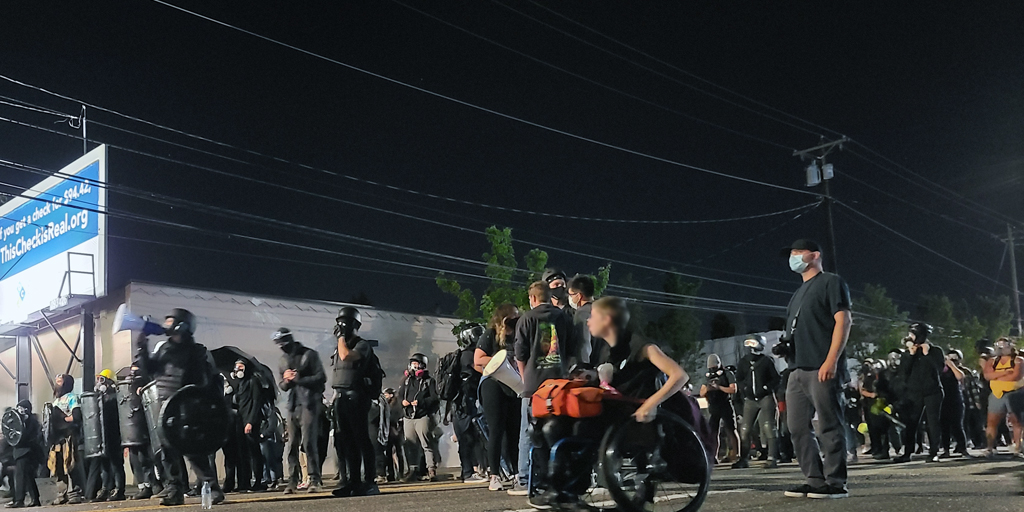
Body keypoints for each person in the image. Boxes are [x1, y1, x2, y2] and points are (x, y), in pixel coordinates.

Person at [779, 240, 852, 499]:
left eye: (798, 252)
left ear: (815, 255)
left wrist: (831, 360)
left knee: (829, 425)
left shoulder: (831, 282)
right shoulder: (797, 294)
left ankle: (835, 481)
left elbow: (843, 320)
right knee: (796, 427)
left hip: (822, 366)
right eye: (791, 253)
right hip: (797, 369)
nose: (793, 257)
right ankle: (814, 479)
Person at [135, 308, 225, 506]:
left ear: (183, 326)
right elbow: (149, 370)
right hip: (165, 405)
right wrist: (142, 346)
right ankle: (174, 489)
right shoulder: (164, 349)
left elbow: (204, 380)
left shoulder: (196, 351)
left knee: (192, 450)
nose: (166, 325)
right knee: (166, 450)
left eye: (171, 321)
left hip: (187, 406)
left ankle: (212, 487)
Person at [511, 282, 574, 496]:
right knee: (558, 431)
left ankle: (525, 478)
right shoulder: (564, 317)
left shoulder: (526, 319)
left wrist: (525, 376)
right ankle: (559, 477)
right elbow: (571, 349)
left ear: (533, 298)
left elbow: (519, 354)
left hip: (534, 385)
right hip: (559, 384)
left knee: (529, 432)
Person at [329, 307, 381, 496]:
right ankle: (353, 482)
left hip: (357, 396)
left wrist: (341, 338)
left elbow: (346, 357)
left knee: (361, 439)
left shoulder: (362, 345)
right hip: (341, 397)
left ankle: (370, 482)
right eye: (339, 322)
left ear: (355, 325)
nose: (341, 326)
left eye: (345, 322)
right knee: (346, 440)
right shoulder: (341, 345)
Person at [474, 304, 522, 491]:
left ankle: (517, 473)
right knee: (496, 430)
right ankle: (495, 475)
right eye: (513, 316)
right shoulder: (490, 334)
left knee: (514, 431)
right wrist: (501, 361)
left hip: (513, 385)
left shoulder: (519, 334)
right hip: (493, 384)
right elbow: (478, 360)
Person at [274, 327, 326, 495]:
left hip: (309, 404)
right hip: (293, 405)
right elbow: (282, 386)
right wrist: (286, 380)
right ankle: (292, 481)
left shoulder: (309, 354)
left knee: (309, 444)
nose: (281, 346)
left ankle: (315, 480)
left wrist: (299, 378)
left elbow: (321, 377)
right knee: (292, 445)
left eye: (283, 342)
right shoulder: (283, 360)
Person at [893, 323, 945, 463]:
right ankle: (907, 453)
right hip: (913, 393)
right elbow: (903, 374)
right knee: (911, 423)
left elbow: (939, 370)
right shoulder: (907, 353)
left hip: (933, 391)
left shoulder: (936, 351)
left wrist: (927, 354)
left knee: (932, 423)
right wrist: (910, 355)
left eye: (913, 334)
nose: (910, 337)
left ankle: (934, 452)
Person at [733, 335, 781, 469]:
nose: (750, 347)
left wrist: (766, 387)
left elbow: (776, 379)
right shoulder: (744, 362)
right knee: (745, 429)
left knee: (768, 428)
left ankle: (772, 458)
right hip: (750, 400)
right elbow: (739, 378)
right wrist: (744, 388)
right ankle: (743, 458)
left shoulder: (766, 361)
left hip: (765, 398)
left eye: (753, 343)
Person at [450, 324, 487, 483]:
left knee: (472, 436)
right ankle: (468, 472)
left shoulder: (464, 355)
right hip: (466, 402)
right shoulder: (468, 356)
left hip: (463, 403)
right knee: (467, 438)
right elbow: (472, 379)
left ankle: (474, 469)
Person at [397, 353, 441, 482]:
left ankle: (431, 470)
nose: (414, 366)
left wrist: (422, 402)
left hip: (422, 416)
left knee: (426, 444)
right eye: (413, 363)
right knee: (410, 445)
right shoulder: (406, 381)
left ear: (423, 365)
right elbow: (400, 395)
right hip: (408, 417)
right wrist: (402, 401)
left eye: (417, 363)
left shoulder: (429, 381)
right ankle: (413, 470)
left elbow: (434, 398)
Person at [85, 370, 126, 502]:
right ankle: (106, 489)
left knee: (116, 464)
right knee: (105, 465)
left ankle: (119, 489)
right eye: (98, 379)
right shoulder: (99, 399)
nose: (99, 383)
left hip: (113, 434)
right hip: (102, 436)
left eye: (102, 380)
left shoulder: (115, 397)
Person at [47, 373, 86, 505]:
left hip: (69, 436)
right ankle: (61, 494)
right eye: (56, 382)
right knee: (57, 466)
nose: (57, 384)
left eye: (60, 382)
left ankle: (75, 493)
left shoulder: (72, 397)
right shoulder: (56, 401)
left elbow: (76, 416)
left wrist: (62, 419)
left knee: (71, 464)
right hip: (57, 438)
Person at [981, 337, 1023, 458]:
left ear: (1010, 346)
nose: (1001, 348)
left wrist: (997, 376)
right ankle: (989, 448)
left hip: (1014, 393)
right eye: (999, 346)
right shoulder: (992, 361)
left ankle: (1017, 449)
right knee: (991, 422)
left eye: (1004, 345)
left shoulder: (1018, 360)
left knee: (1017, 421)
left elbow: (1015, 376)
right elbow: (987, 375)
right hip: (996, 393)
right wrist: (1005, 372)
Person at [121, 365, 158, 500]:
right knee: (134, 460)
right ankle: (143, 486)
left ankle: (152, 485)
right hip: (132, 431)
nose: (132, 375)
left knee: (146, 459)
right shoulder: (127, 390)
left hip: (145, 430)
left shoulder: (147, 387)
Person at [233, 360, 268, 491]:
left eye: (241, 367)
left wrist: (250, 422)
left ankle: (258, 481)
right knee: (242, 453)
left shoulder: (253, 381)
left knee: (254, 452)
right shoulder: (239, 384)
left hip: (250, 421)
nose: (238, 369)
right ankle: (244, 482)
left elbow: (256, 402)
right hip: (240, 421)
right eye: (236, 367)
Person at [700, 354, 739, 463]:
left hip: (725, 404)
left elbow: (733, 389)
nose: (713, 370)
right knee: (713, 431)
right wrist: (708, 388)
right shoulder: (707, 376)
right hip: (713, 406)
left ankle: (736, 454)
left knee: (731, 429)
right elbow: (701, 392)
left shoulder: (727, 374)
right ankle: (714, 455)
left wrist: (719, 387)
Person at [5, 400, 43, 508]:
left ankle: (19, 500)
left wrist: (24, 421)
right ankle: (35, 499)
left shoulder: (31, 421)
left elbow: (28, 436)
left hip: (26, 451)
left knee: (20, 476)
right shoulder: (18, 421)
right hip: (20, 451)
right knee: (28, 476)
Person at [939, 349, 970, 458]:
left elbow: (960, 377)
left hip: (956, 400)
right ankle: (946, 450)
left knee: (957, 425)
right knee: (944, 426)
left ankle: (963, 448)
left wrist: (952, 366)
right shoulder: (941, 370)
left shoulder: (960, 370)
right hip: (943, 400)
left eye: (954, 359)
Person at [567, 274, 602, 366]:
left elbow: (583, 343)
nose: (569, 298)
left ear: (579, 296)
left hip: (591, 366)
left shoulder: (582, 313)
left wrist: (583, 366)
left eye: (571, 294)